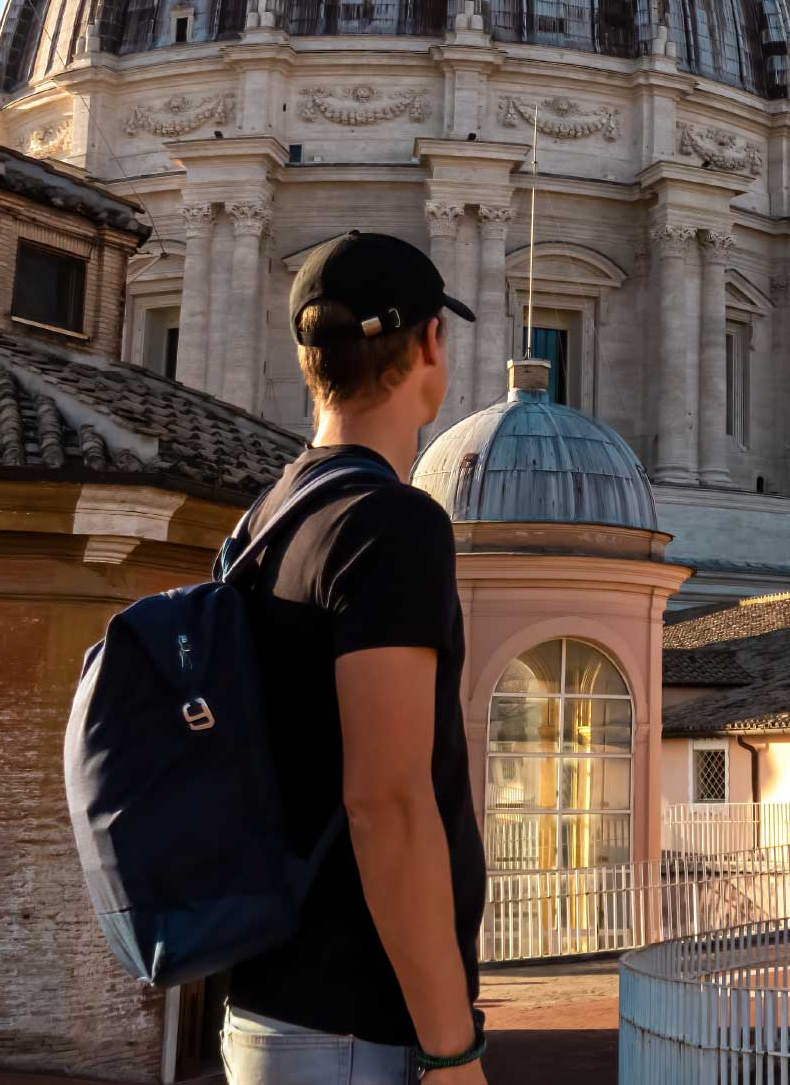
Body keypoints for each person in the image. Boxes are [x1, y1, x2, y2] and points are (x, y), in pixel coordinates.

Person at [223, 231, 490, 1085]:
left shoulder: (265, 519)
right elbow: (389, 805)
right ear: (430, 346)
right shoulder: (393, 525)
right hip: (355, 1026)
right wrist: (454, 1051)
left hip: (270, 1002)